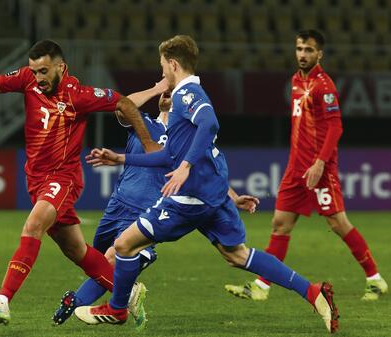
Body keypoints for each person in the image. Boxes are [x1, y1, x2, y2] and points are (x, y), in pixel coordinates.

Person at [73, 35, 339, 333]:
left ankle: (118, 309)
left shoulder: (188, 95)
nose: (162, 73)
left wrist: (185, 168)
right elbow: (170, 156)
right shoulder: (182, 100)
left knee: (123, 245)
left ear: (173, 64)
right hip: (211, 194)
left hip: (189, 200)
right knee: (237, 255)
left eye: (163, 67)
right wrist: (121, 159)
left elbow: (210, 124)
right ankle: (312, 292)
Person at [0, 39, 161, 325]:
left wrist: (149, 142)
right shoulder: (27, 79)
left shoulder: (78, 95)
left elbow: (124, 103)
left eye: (43, 71)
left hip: (62, 178)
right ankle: (127, 293)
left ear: (60, 68)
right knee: (76, 250)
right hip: (36, 179)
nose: (37, 77)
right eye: (34, 71)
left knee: (33, 225)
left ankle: (2, 301)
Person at [52, 82, 260, 330]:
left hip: (149, 210)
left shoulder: (185, 137)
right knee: (98, 265)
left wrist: (234, 197)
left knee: (111, 259)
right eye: (166, 92)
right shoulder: (144, 124)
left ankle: (76, 302)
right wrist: (155, 88)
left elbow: (206, 173)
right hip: (118, 205)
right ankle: (128, 296)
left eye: (173, 93)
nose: (167, 95)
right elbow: (122, 106)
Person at [225, 29, 387, 302]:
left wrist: (320, 164)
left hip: (319, 170)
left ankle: (375, 279)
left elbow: (336, 126)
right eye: (300, 48)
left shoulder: (325, 86)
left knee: (338, 223)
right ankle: (261, 287)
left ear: (319, 53)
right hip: (295, 168)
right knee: (280, 225)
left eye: (309, 50)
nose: (303, 54)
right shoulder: (295, 81)